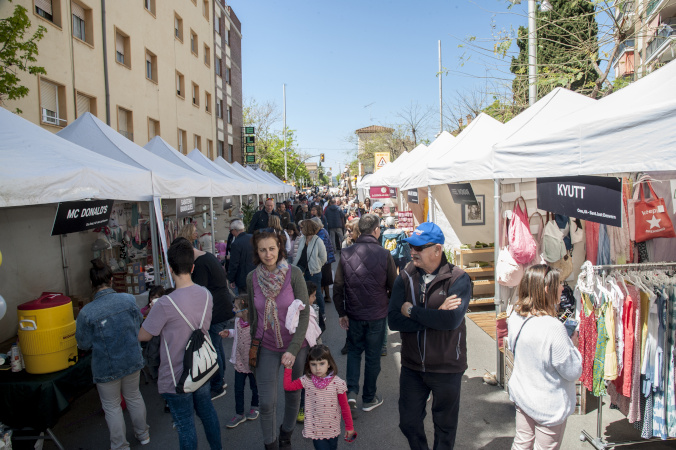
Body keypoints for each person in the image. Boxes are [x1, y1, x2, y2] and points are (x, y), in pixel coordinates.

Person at [388, 222, 471, 450]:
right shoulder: (405, 276)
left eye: (419, 247)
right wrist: (434, 318)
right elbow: (393, 320)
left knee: (445, 427)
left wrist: (413, 312)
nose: (412, 251)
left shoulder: (458, 279)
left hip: (447, 366)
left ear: (437, 250)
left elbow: (451, 321)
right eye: (411, 246)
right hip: (413, 366)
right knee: (408, 422)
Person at [139, 239, 221, 450]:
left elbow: (144, 336)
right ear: (192, 267)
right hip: (201, 367)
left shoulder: (165, 304)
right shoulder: (206, 294)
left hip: (176, 375)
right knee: (207, 413)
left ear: (170, 268)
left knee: (185, 426)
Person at [76, 259, 150, 450]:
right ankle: (143, 435)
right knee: (134, 396)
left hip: (105, 365)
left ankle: (120, 445)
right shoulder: (128, 299)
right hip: (132, 358)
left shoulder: (86, 312)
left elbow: (83, 343)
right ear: (111, 280)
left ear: (92, 284)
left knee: (112, 406)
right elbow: (137, 327)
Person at [247, 231, 310, 450]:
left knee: (293, 396)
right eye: (262, 249)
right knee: (266, 403)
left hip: (295, 346)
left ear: (279, 248)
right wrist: (251, 349)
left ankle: (286, 435)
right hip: (265, 346)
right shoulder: (252, 278)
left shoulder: (294, 274)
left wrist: (293, 350)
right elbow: (253, 317)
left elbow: (304, 314)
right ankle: (270, 445)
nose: (268, 254)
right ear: (256, 251)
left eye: (272, 248)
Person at [507, 265, 582, 450]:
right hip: (548, 405)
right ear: (547, 289)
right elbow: (572, 371)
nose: (563, 288)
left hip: (523, 395)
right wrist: (573, 345)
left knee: (522, 443)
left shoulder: (516, 317)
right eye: (559, 284)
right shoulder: (553, 327)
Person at [333, 213, 397, 414]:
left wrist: (342, 312)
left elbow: (337, 287)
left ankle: (351, 393)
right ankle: (369, 398)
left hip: (354, 313)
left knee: (354, 352)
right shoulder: (384, 254)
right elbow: (394, 286)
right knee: (372, 356)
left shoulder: (346, 253)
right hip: (377, 314)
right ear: (377, 230)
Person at [283, 344, 356, 450]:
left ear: (329, 364)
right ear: (308, 365)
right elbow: (288, 386)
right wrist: (288, 369)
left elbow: (345, 407)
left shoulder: (337, 383)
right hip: (316, 429)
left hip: (333, 429)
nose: (318, 368)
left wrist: (349, 427)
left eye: (322, 363)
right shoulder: (306, 381)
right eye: (313, 364)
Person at [188, 236, 234, 401]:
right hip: (223, 308)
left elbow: (200, 291)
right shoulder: (207, 257)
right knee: (218, 346)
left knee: (214, 349)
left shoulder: (200, 264)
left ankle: (217, 385)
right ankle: (220, 379)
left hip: (217, 311)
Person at [221, 294, 260, 429]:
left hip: (252, 362)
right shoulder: (238, 322)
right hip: (239, 361)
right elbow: (236, 334)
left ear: (246, 310)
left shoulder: (255, 325)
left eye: (236, 307)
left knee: (254, 386)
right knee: (238, 389)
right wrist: (229, 333)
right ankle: (239, 413)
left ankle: (255, 406)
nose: (233, 309)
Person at [293, 219, 328, 323]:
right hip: (302, 270)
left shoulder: (318, 240)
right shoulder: (302, 239)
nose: (300, 229)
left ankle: (322, 313)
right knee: (303, 292)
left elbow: (323, 258)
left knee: (316, 293)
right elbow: (299, 254)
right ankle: (307, 313)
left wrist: (316, 266)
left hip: (314, 272)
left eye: (302, 227)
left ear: (307, 228)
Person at [310, 217, 336, 306]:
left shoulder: (321, 233)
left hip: (324, 260)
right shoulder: (323, 231)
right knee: (326, 280)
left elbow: (320, 248)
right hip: (327, 259)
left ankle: (319, 299)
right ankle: (327, 296)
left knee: (322, 280)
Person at [228, 219, 255, 295]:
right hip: (256, 275)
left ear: (234, 230)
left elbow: (234, 263)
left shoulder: (236, 244)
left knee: (243, 301)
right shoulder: (253, 238)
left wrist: (231, 279)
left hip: (242, 278)